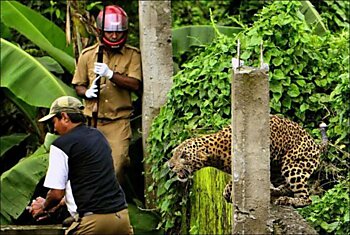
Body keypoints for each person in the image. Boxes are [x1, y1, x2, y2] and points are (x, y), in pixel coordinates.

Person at [28, 96, 133, 235]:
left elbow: (56, 193)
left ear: (64, 117)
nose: (54, 128)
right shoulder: (98, 136)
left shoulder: (61, 145)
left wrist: (43, 206)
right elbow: (90, 184)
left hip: (93, 223)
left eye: (54, 121)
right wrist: (58, 205)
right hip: (121, 219)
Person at [71, 5, 142, 185]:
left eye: (118, 32)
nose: (114, 36)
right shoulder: (88, 55)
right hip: (92, 122)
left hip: (118, 122)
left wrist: (111, 75)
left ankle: (113, 207)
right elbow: (78, 84)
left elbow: (135, 83)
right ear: (101, 31)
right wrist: (86, 92)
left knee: (116, 167)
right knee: (89, 170)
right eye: (110, 32)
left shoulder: (132, 55)